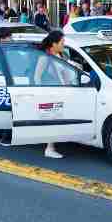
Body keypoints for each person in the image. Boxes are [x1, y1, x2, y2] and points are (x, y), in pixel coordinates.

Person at [32, 31, 72, 159]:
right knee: (54, 119)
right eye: (62, 42)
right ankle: (49, 148)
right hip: (51, 92)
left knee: (57, 119)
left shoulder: (60, 54)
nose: (64, 44)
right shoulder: (45, 57)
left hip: (62, 92)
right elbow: (36, 77)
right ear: (54, 44)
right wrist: (42, 93)